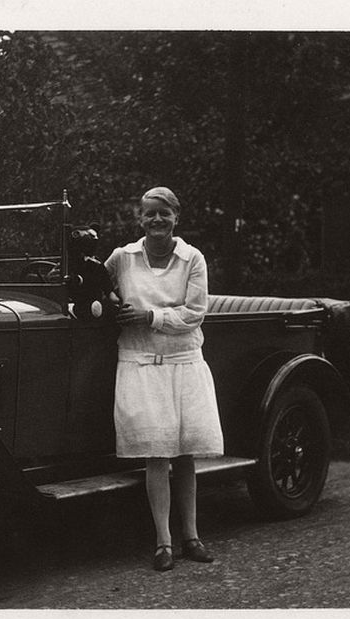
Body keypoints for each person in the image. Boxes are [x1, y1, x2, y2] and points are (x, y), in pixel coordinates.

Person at [104, 186, 224, 572]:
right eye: (150, 213)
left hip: (183, 361)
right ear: (139, 218)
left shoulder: (193, 259)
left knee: (185, 454)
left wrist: (149, 317)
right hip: (140, 363)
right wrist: (107, 304)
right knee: (157, 454)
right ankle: (163, 543)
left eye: (164, 213)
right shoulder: (123, 258)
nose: (157, 220)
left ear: (176, 218)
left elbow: (194, 313)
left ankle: (191, 537)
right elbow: (95, 285)